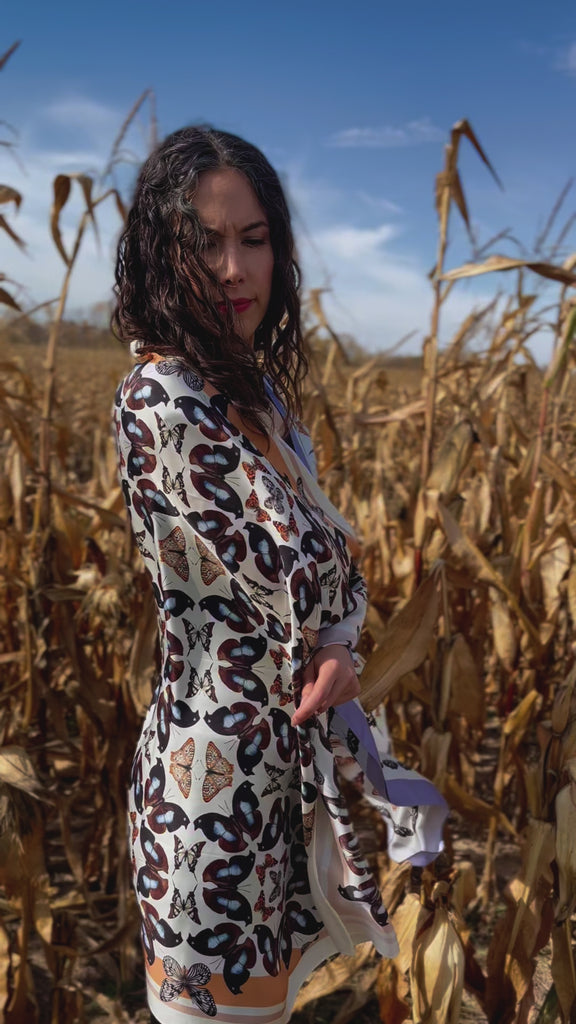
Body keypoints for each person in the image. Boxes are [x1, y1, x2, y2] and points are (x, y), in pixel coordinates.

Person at [112, 125, 447, 1024]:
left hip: (275, 798)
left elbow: (330, 580)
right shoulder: (161, 403)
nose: (234, 268)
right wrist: (336, 628)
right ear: (161, 253)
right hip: (206, 807)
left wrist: (339, 635)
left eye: (253, 240)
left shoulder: (257, 399)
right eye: (205, 242)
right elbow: (304, 584)